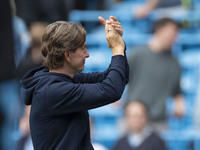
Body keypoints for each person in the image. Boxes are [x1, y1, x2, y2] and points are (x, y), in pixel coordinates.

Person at [20, 16, 129, 150]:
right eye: (83, 49)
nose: (87, 54)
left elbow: (119, 78)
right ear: (68, 55)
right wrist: (116, 49)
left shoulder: (62, 81)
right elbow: (111, 90)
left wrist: (120, 45)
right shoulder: (54, 91)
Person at [126, 17, 185, 132]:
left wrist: (179, 103)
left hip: (159, 122)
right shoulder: (138, 54)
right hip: (133, 119)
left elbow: (176, 90)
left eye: (176, 33)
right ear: (159, 30)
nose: (174, 37)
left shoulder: (174, 62)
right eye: (171, 32)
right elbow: (119, 76)